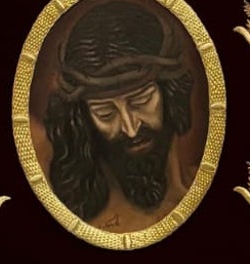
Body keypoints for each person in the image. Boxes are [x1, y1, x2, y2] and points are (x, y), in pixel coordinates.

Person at [42, 0, 199, 233]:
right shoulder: (71, 218)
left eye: (141, 101)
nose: (130, 128)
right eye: (105, 113)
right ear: (84, 119)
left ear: (170, 93)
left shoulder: (203, 187)